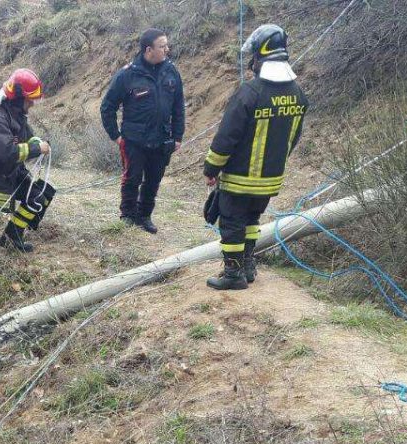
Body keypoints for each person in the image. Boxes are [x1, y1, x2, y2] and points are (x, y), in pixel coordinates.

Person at [203, 24, 308, 290]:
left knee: (231, 224)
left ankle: (233, 274)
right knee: (251, 220)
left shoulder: (249, 93)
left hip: (240, 178)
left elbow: (227, 136)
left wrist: (211, 167)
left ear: (260, 55)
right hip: (270, 179)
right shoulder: (297, 94)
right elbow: (292, 138)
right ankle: (248, 266)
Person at [100, 28, 185, 234]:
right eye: (162, 46)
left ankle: (144, 216)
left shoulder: (171, 71)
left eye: (166, 45)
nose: (167, 49)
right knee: (132, 179)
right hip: (134, 140)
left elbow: (178, 107)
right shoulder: (127, 75)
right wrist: (116, 136)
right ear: (149, 50)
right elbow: (107, 107)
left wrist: (177, 136)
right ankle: (128, 217)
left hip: (162, 139)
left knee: (153, 181)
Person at [0, 68, 54, 254]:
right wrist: (37, 148)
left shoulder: (17, 116)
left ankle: (11, 238)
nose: (32, 103)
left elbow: (28, 138)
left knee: (37, 197)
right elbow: (9, 153)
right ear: (19, 98)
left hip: (12, 177)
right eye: (30, 99)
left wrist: (38, 143)